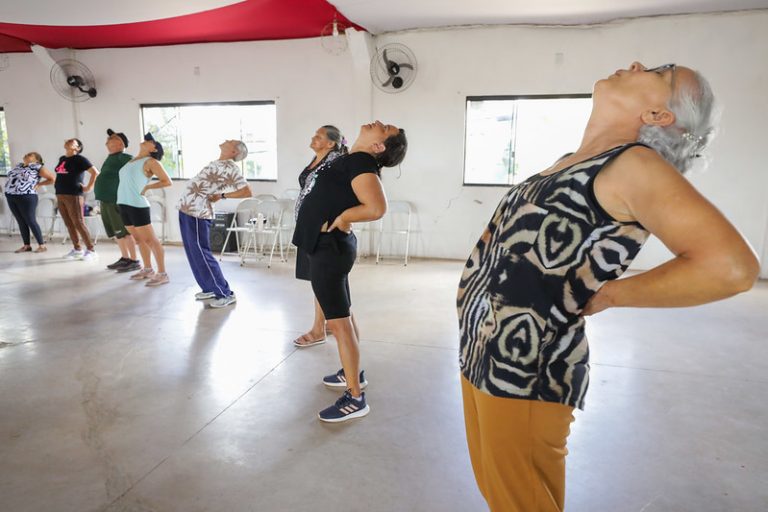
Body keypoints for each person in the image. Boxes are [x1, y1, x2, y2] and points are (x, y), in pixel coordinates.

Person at [457, 62, 760, 512]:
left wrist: (613, 294)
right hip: (483, 352)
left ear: (658, 115)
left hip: (526, 370)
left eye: (659, 71)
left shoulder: (633, 165)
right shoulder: (571, 160)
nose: (636, 64)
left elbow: (732, 267)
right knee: (500, 496)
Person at [293, 120, 408, 423]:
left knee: (339, 323)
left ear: (378, 145)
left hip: (330, 248)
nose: (378, 122)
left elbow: (376, 208)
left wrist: (344, 217)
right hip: (326, 246)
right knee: (343, 313)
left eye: (385, 128)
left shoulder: (361, 162)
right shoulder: (351, 159)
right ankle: (351, 373)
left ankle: (355, 397)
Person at [292, 125, 349, 347]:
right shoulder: (317, 159)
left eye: (319, 136)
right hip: (309, 227)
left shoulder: (335, 161)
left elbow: (344, 191)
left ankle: (319, 329)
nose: (313, 138)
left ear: (331, 143)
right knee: (319, 279)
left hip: (322, 230)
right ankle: (329, 322)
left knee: (322, 280)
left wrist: (343, 217)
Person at [177, 140, 252, 308]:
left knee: (202, 253)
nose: (226, 140)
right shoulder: (217, 163)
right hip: (186, 209)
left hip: (198, 212)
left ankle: (225, 293)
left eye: (231, 141)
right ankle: (209, 288)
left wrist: (222, 196)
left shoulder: (230, 167)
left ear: (234, 151)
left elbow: (247, 191)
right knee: (193, 253)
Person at [116, 133, 172, 286]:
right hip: (123, 203)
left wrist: (148, 187)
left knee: (150, 240)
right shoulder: (131, 161)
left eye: (150, 141)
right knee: (139, 240)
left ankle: (162, 273)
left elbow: (167, 181)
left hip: (137, 205)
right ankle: (147, 269)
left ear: (154, 149)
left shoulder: (151, 162)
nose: (146, 141)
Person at [95, 129, 141, 273]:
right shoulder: (110, 158)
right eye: (108, 144)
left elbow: (139, 169)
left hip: (115, 200)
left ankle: (134, 260)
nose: (109, 146)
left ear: (121, 145)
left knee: (125, 232)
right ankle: (125, 258)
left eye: (113, 144)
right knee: (117, 233)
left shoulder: (123, 157)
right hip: (105, 200)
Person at [54, 138, 100, 260]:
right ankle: (77, 249)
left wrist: (89, 187)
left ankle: (91, 250)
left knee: (78, 222)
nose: (68, 141)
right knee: (68, 223)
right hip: (60, 194)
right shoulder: (62, 159)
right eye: (67, 140)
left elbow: (95, 172)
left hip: (73, 194)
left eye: (72, 141)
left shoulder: (80, 159)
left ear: (78, 148)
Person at [4, 152, 55, 253]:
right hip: (11, 196)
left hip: (27, 196)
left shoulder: (38, 167)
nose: (26, 155)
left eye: (30, 155)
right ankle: (26, 246)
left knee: (30, 220)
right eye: (27, 154)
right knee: (20, 221)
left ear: (37, 160)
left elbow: (52, 179)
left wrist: (39, 184)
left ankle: (42, 246)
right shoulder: (19, 166)